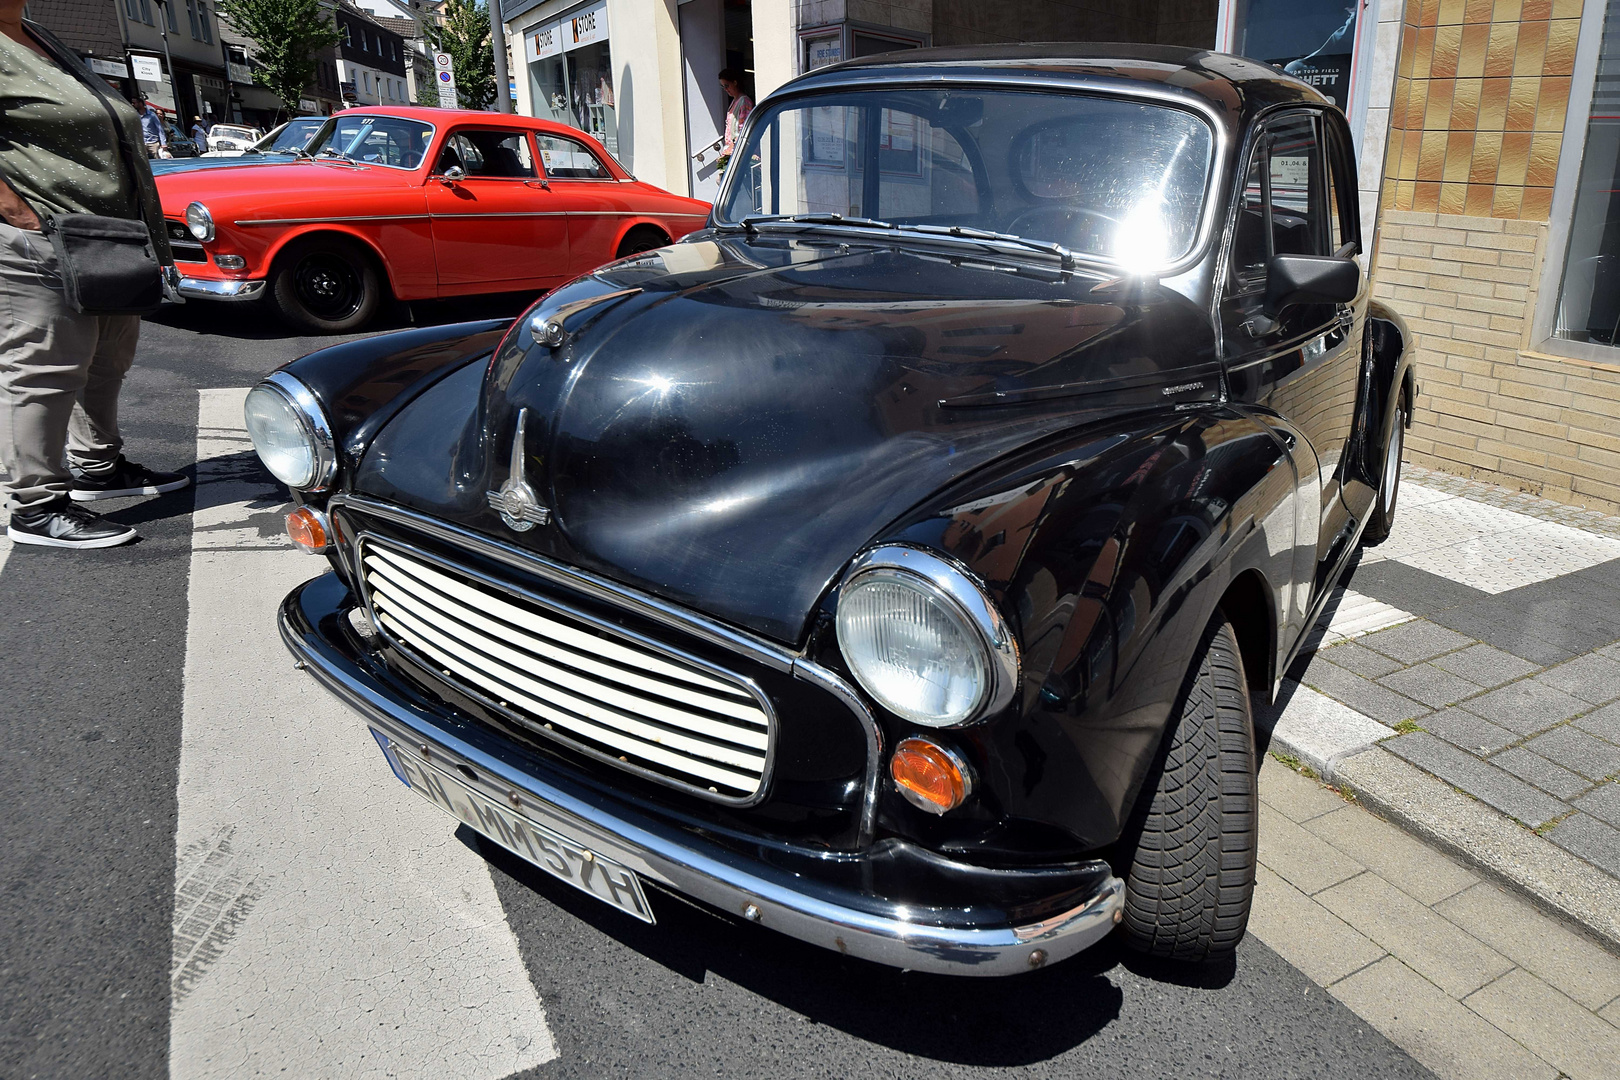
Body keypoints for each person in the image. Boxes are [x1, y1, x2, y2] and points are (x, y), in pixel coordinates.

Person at [0, 5, 190, 548]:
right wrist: (19, 215)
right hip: (44, 236)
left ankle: (98, 468)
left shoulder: (36, 35)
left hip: (103, 237)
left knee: (107, 359)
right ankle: (35, 507)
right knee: (42, 369)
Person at [716, 67, 753, 174]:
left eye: (727, 85)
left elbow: (743, 128)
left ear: (735, 82)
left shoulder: (744, 101)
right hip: (731, 149)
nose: (726, 89)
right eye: (723, 87)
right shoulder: (735, 101)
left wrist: (730, 150)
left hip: (737, 149)